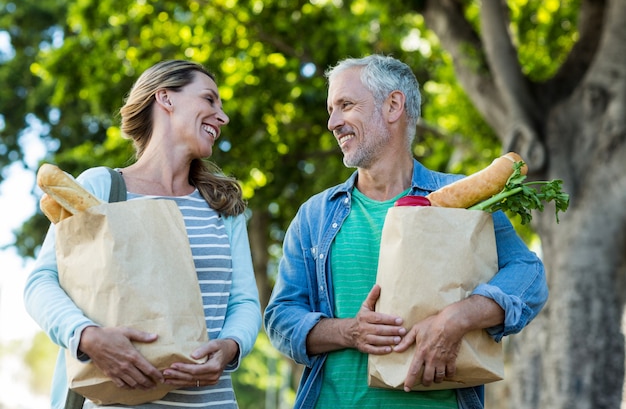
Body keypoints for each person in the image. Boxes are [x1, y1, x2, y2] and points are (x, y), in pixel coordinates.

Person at [263, 54, 548, 409]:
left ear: (393, 105)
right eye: (331, 109)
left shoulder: (465, 200)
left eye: (345, 105)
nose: (332, 122)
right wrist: (351, 332)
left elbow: (530, 276)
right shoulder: (315, 216)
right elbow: (280, 318)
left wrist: (457, 319)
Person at [24, 60, 262, 409]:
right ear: (165, 98)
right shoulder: (101, 188)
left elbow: (243, 302)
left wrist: (230, 346)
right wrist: (87, 337)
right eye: (210, 100)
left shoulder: (223, 205)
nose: (222, 117)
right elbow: (41, 282)